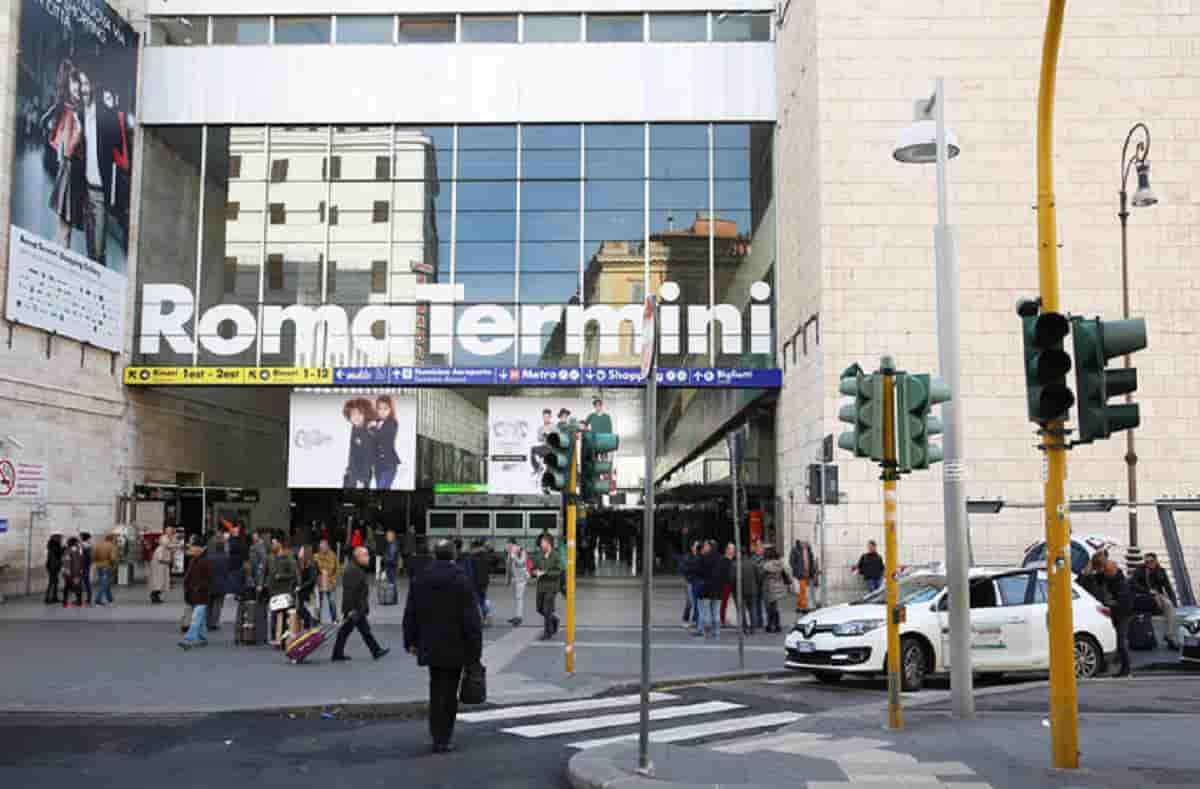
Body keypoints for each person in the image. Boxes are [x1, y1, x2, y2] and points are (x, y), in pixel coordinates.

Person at [402, 539, 483, 754]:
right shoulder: (461, 580)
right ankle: (444, 736)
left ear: (434, 555)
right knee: (450, 691)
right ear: (454, 556)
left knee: (435, 687)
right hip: (456, 645)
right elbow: (472, 620)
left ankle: (436, 733)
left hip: (429, 643)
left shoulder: (420, 578)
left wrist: (410, 640)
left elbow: (411, 612)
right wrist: (475, 651)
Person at [77, 68, 127, 266]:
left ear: (94, 86)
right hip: (85, 190)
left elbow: (119, 145)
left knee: (98, 252)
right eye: (81, 84)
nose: (83, 89)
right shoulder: (80, 114)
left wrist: (113, 111)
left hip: (100, 193)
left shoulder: (105, 115)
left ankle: (101, 291)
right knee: (89, 249)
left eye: (87, 84)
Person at [45, 59, 85, 251]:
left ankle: (55, 259)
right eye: (73, 81)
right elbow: (64, 146)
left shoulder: (76, 109)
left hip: (74, 171)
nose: (77, 86)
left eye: (78, 82)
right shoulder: (70, 110)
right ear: (68, 84)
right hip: (69, 169)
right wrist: (78, 131)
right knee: (64, 229)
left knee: (63, 228)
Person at [332, 546, 390, 662]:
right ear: (358, 557)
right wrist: (351, 610)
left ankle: (338, 653)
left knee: (351, 631)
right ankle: (375, 650)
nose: (368, 558)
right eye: (366, 555)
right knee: (360, 630)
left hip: (356, 607)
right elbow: (349, 592)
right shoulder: (353, 570)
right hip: (354, 608)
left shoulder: (356, 568)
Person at [1133, 552, 1179, 650]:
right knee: (1157, 599)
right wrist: (1148, 591)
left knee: (1169, 604)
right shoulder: (1139, 570)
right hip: (1144, 597)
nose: (1149, 563)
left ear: (1156, 561)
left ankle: (1169, 636)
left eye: (1151, 561)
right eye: (1147, 562)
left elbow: (1168, 587)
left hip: (1158, 596)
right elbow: (1133, 584)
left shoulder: (1161, 571)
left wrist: (1174, 602)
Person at [1102, 560, 1134, 678]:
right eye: (1105, 571)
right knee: (1119, 642)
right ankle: (1122, 668)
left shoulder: (1122, 582)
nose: (1106, 573)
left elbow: (1123, 602)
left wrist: (1111, 604)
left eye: (1108, 571)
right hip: (1116, 614)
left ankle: (1126, 669)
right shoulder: (1109, 578)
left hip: (1123, 615)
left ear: (1114, 570)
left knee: (1121, 642)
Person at [179, 537, 212, 649]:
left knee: (196, 617)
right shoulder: (194, 560)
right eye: (192, 547)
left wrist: (198, 587)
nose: (192, 549)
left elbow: (209, 579)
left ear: (202, 548)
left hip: (201, 594)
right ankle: (203, 638)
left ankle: (189, 639)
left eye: (194, 547)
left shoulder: (206, 561)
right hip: (193, 593)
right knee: (200, 618)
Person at [267, 535, 299, 644]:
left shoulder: (288, 556)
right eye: (272, 543)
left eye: (274, 543)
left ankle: (283, 638)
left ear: (280, 544)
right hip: (273, 590)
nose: (272, 545)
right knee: (274, 614)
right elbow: (266, 572)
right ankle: (274, 637)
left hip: (285, 590)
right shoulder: (270, 557)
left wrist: (281, 576)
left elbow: (293, 573)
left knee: (284, 615)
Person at [532, 534, 562, 639]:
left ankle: (547, 632)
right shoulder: (539, 555)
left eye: (542, 543)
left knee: (547, 609)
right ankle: (554, 620)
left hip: (552, 587)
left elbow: (558, 572)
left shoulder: (556, 555)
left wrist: (544, 573)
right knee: (539, 608)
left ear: (548, 543)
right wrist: (534, 572)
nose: (541, 544)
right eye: (541, 543)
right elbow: (533, 568)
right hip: (541, 586)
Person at [343, 398, 376, 489]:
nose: (356, 417)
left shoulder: (368, 430)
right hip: (351, 473)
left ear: (366, 414)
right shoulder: (355, 428)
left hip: (360, 477)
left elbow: (368, 457)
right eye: (353, 414)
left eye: (360, 413)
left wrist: (361, 479)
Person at [761, 547, 794, 634]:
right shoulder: (780, 563)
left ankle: (771, 625)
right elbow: (787, 573)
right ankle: (776, 625)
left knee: (770, 608)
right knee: (774, 607)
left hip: (769, 587)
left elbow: (761, 575)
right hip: (779, 587)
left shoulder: (766, 565)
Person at [371, 395, 401, 490]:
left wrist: (373, 427)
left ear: (390, 409)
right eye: (379, 408)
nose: (382, 411)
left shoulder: (392, 423)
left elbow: (383, 436)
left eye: (385, 408)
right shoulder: (375, 422)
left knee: (382, 488)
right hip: (377, 464)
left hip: (389, 464)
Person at [694, 541, 722, 639]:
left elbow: (698, 571)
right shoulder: (720, 558)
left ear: (710, 547)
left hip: (706, 588)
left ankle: (704, 631)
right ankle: (717, 632)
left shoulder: (704, 558)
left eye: (706, 546)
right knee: (716, 612)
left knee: (705, 612)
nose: (704, 547)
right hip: (717, 589)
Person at [315, 538, 341, 624]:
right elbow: (313, 569)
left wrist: (334, 579)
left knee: (332, 601)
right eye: (321, 547)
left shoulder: (332, 555)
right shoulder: (316, 556)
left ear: (327, 546)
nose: (322, 548)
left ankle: (334, 619)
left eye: (324, 547)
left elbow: (337, 569)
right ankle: (317, 620)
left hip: (330, 582)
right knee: (319, 603)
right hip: (319, 582)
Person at [507, 539, 530, 626]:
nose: (508, 547)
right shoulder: (511, 552)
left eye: (509, 545)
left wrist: (514, 557)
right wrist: (508, 579)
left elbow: (522, 563)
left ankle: (519, 617)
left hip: (522, 578)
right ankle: (517, 616)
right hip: (516, 578)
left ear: (514, 545)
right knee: (517, 598)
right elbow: (509, 566)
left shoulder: (521, 551)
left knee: (519, 598)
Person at [789, 539, 817, 612]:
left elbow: (812, 561)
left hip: (808, 573)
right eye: (803, 542)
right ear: (800, 543)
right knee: (802, 590)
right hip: (800, 573)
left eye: (806, 543)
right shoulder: (795, 550)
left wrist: (813, 572)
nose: (805, 544)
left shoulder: (809, 550)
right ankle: (803, 607)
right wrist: (797, 570)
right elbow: (792, 562)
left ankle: (800, 606)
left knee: (804, 590)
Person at [738, 549, 761, 634]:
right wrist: (757, 585)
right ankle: (753, 628)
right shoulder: (753, 563)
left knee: (742, 610)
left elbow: (732, 578)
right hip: (752, 589)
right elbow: (759, 576)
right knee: (752, 609)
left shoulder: (737, 564)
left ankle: (744, 627)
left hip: (740, 590)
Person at [295, 545, 318, 629]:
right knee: (300, 611)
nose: (299, 552)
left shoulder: (312, 564)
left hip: (309, 592)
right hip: (302, 591)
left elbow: (312, 579)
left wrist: (300, 587)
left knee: (308, 611)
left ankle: (309, 627)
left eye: (301, 550)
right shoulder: (300, 563)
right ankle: (307, 627)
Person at [471, 540, 493, 625]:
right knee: (482, 599)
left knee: (477, 600)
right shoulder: (485, 554)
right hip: (484, 581)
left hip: (476, 581)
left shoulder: (472, 557)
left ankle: (481, 619)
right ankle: (485, 617)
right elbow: (490, 565)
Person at [150, 529, 174, 604]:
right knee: (159, 582)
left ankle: (156, 596)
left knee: (161, 582)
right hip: (159, 568)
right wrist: (168, 561)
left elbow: (172, 547)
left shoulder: (165, 548)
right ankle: (154, 596)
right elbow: (160, 559)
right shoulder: (161, 549)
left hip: (162, 567)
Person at [92, 533, 117, 606]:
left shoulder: (99, 545)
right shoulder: (112, 546)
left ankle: (110, 599)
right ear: (112, 539)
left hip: (99, 566)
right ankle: (98, 599)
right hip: (107, 566)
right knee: (104, 584)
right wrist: (113, 565)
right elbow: (113, 558)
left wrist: (97, 562)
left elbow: (94, 556)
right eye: (114, 538)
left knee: (105, 583)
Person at [681, 541, 701, 630]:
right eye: (695, 546)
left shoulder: (700, 556)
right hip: (690, 582)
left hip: (698, 582)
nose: (697, 548)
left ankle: (694, 620)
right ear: (692, 547)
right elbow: (684, 569)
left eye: (698, 547)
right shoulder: (688, 557)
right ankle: (685, 619)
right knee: (690, 602)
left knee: (696, 602)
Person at [61, 536, 85, 608]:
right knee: (72, 587)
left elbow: (79, 561)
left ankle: (77, 602)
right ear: (74, 543)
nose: (78, 543)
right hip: (72, 573)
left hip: (74, 572)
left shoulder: (75, 550)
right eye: (77, 542)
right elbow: (67, 562)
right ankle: (68, 603)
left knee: (74, 587)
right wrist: (70, 572)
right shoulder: (70, 550)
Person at [720, 543, 737, 626]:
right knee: (724, 603)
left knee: (735, 602)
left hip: (734, 584)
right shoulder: (723, 560)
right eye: (731, 548)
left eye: (733, 549)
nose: (732, 550)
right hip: (726, 584)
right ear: (727, 550)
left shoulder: (735, 560)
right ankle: (723, 620)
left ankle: (734, 619)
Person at [249, 531, 269, 600]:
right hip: (254, 568)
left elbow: (264, 558)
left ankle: (258, 599)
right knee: (256, 585)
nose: (254, 537)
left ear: (258, 537)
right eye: (253, 536)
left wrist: (261, 566)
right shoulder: (254, 545)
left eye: (255, 536)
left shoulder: (260, 545)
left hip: (258, 569)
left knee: (259, 586)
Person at [44, 534, 64, 604]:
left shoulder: (52, 545)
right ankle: (47, 598)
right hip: (53, 567)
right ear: (57, 539)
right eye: (60, 538)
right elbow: (59, 554)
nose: (61, 540)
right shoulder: (54, 546)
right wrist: (63, 548)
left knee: (55, 582)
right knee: (52, 583)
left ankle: (54, 597)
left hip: (52, 567)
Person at [79, 532, 94, 606]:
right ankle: (88, 598)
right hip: (86, 567)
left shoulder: (83, 546)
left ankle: (83, 599)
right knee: (86, 583)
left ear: (83, 537)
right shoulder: (89, 545)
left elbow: (82, 558)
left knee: (82, 583)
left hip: (82, 567)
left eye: (81, 536)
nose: (80, 537)